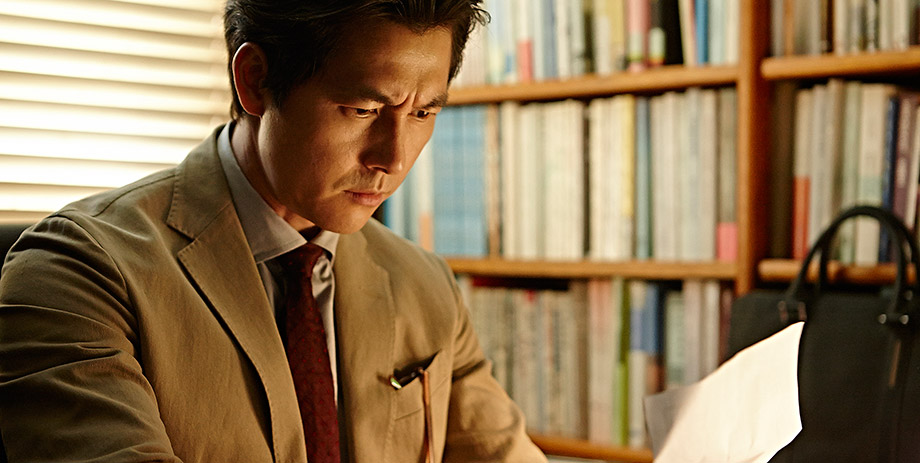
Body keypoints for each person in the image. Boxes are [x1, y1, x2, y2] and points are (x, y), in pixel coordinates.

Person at [0, 1, 547, 462]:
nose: (395, 158)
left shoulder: (425, 284)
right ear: (255, 81)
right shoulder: (74, 272)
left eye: (424, 114)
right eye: (362, 109)